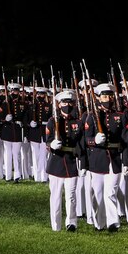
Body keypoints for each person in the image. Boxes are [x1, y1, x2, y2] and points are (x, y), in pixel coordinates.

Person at [81, 82, 128, 232]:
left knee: (111, 192)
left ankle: (113, 222)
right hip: (97, 159)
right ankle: (98, 222)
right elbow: (85, 139)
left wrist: (126, 162)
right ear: (99, 98)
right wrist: (94, 140)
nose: (107, 98)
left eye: (109, 95)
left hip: (114, 159)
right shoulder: (91, 116)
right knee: (98, 194)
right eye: (104, 96)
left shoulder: (120, 116)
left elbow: (125, 140)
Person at [45, 90, 85, 232]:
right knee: (55, 196)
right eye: (64, 102)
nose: (67, 105)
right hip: (56, 163)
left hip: (71, 162)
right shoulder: (53, 121)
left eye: (70, 102)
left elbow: (81, 144)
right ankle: (56, 225)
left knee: (71, 196)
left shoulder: (77, 122)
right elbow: (47, 141)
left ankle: (71, 222)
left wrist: (82, 162)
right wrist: (51, 145)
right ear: (59, 104)